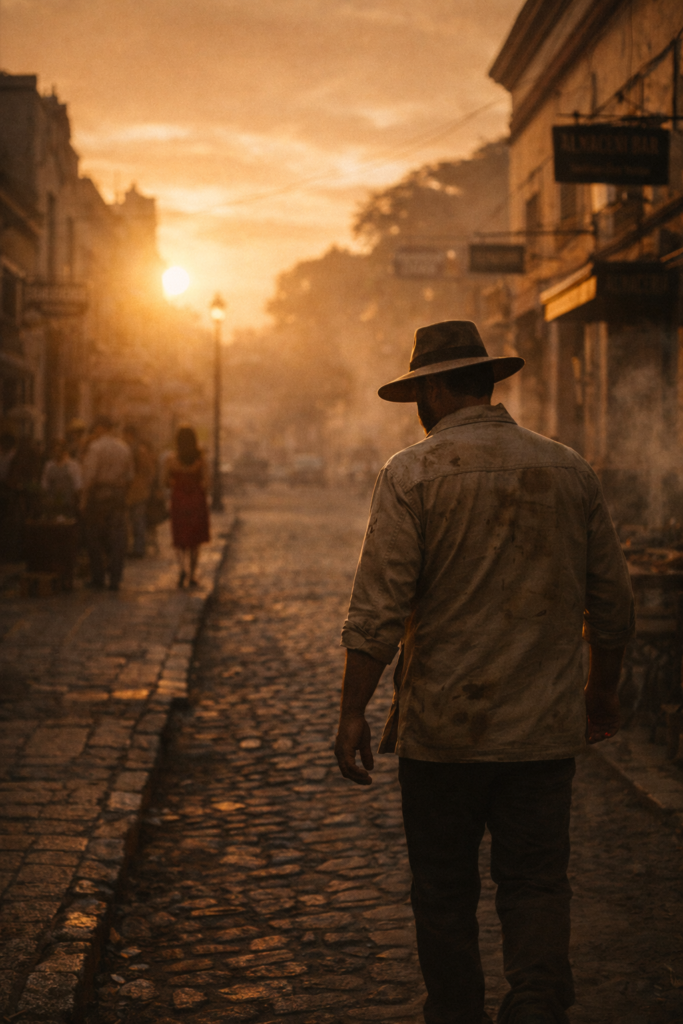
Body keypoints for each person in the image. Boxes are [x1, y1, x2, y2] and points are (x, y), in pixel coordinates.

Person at [334, 320, 634, 1024]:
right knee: (534, 882)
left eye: (418, 389)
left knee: (442, 889)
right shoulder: (568, 468)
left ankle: (456, 1010)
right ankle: (533, 1002)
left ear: (434, 389)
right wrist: (600, 692)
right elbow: (613, 604)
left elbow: (378, 607)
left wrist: (353, 710)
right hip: (539, 731)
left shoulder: (411, 473)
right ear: (486, 382)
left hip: (443, 733)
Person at [81, 415, 134, 591]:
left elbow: (89, 476)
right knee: (117, 539)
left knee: (94, 538)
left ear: (100, 428)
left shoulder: (95, 447)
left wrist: (84, 499)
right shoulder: (123, 448)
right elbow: (130, 477)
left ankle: (98, 577)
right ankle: (115, 579)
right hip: (118, 496)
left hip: (98, 496)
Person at [165, 425, 209, 588]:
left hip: (178, 499)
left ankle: (181, 568)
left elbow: (166, 481)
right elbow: (206, 482)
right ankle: (192, 574)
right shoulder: (200, 460)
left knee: (180, 536)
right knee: (195, 539)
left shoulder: (171, 460)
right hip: (196, 499)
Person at [123, 424, 156, 558]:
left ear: (129, 435)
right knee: (132, 521)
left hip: (137, 491)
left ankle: (138, 548)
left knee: (137, 520)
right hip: (132, 491)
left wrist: (145, 484)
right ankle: (134, 547)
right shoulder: (130, 449)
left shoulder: (138, 450)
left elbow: (149, 471)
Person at [41, 439, 82, 518]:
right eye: (55, 450)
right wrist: (45, 496)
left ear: (64, 451)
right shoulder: (49, 465)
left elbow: (78, 484)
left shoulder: (73, 465)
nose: (57, 453)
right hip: (52, 501)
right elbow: (44, 482)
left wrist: (77, 499)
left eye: (59, 450)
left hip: (68, 501)